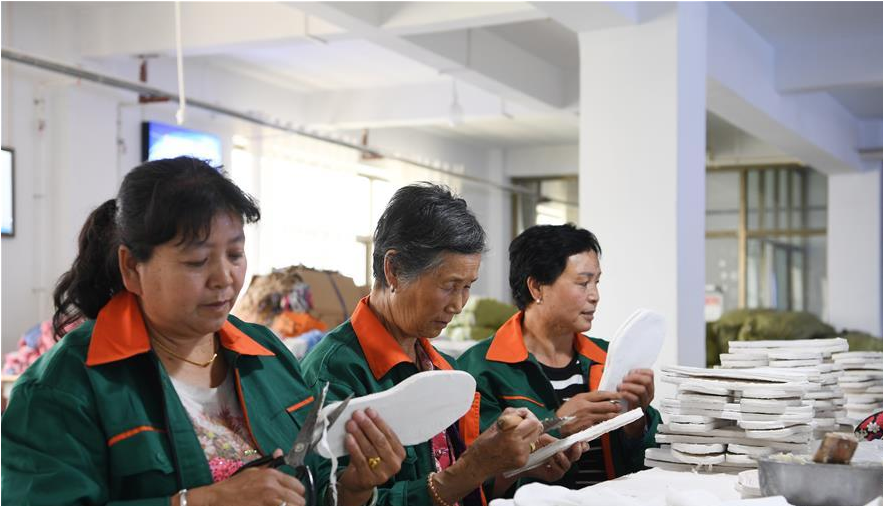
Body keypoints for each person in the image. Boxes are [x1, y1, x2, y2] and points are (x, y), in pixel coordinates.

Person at [1, 157, 404, 506]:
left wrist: (353, 487)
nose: (224, 278)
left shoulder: (266, 355)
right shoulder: (66, 387)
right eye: (196, 261)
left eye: (235, 254)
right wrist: (199, 501)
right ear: (132, 267)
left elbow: (305, 487)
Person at [300, 184, 583, 506]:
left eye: (468, 286)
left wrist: (513, 465)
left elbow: (455, 476)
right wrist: (473, 467)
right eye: (449, 286)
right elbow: (330, 499)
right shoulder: (333, 376)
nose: (459, 304)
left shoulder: (442, 367)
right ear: (394, 270)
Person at [458, 224, 661, 490]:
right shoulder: (480, 369)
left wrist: (636, 422)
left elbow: (654, 461)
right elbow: (474, 478)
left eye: (597, 282)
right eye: (583, 283)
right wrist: (558, 425)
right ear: (537, 288)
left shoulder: (607, 358)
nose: (595, 296)